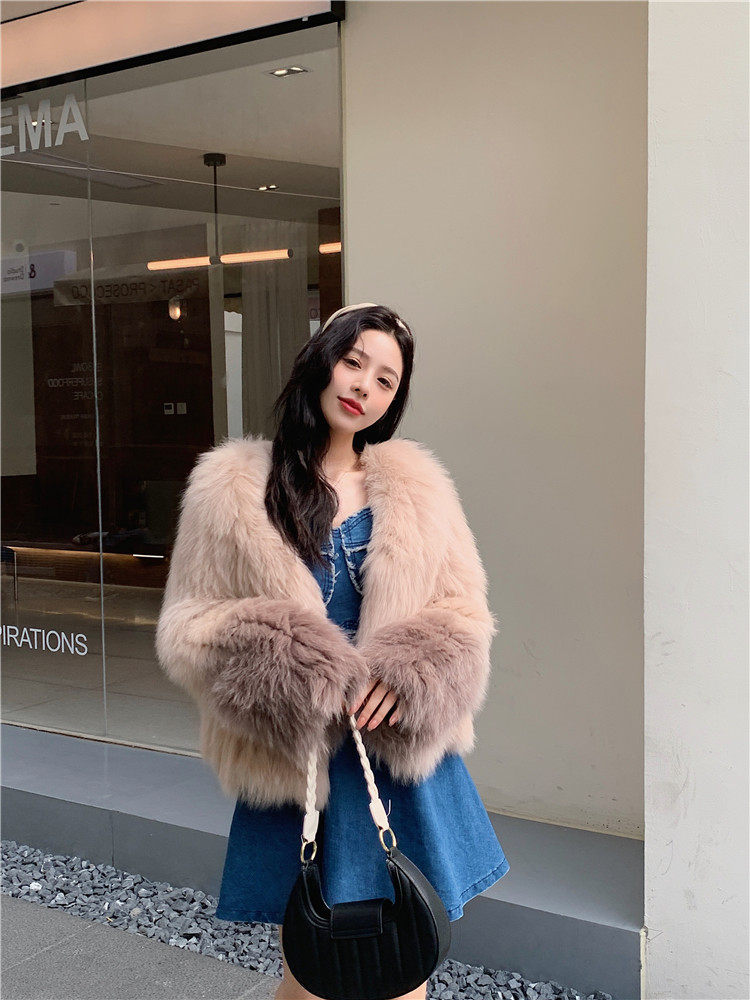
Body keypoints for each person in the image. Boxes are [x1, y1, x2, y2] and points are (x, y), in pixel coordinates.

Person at [155, 302, 510, 1000]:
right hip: (299, 761)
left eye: (385, 380)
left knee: (402, 969)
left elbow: (464, 612)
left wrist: (411, 673)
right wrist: (290, 669)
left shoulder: (418, 489)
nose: (363, 387)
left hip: (395, 755)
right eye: (354, 362)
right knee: (310, 975)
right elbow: (188, 625)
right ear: (322, 361)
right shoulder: (231, 488)